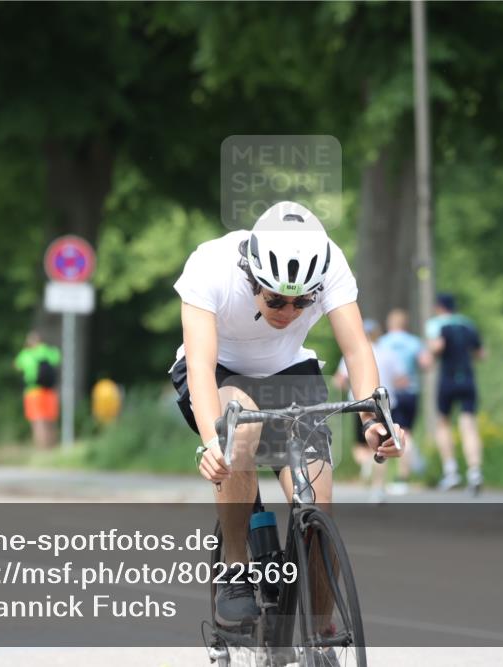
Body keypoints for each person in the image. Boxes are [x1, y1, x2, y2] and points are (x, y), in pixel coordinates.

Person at [169, 201, 403, 634]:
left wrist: (373, 421)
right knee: (242, 426)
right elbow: (200, 364)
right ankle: (235, 570)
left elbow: (356, 350)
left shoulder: (330, 261)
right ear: (251, 275)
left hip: (289, 371)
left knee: (318, 504)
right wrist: (213, 443)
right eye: (275, 299)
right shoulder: (211, 265)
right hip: (219, 370)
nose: (289, 312)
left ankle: (320, 632)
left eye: (303, 302)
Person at [333, 318, 407, 504]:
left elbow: (339, 380)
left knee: (359, 447)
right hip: (387, 405)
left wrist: (347, 386)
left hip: (360, 405)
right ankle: (378, 488)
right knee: (382, 447)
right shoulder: (389, 353)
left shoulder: (353, 353)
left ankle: (366, 463)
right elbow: (402, 380)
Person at [424, 293, 485, 495]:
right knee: (469, 424)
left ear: (439, 307)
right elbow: (481, 354)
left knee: (443, 423)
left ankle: (451, 471)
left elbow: (437, 347)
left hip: (448, 379)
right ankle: (474, 472)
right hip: (467, 378)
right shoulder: (468, 324)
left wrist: (430, 356)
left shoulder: (436, 324)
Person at [378, 308, 429, 491]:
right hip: (411, 392)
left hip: (391, 393)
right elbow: (426, 363)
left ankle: (388, 476)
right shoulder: (414, 342)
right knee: (406, 433)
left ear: (389, 324)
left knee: (394, 434)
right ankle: (403, 476)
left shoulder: (383, 342)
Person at [14, 331, 62, 448]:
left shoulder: (26, 354)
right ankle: (52, 446)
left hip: (33, 391)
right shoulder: (47, 351)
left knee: (37, 420)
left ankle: (41, 446)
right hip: (49, 391)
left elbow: (17, 366)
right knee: (50, 419)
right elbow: (57, 358)